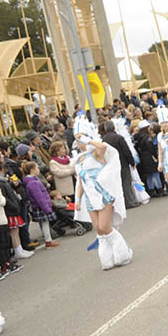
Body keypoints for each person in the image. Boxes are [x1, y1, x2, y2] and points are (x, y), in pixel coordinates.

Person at [72, 115, 132, 271]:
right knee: (98, 229)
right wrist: (78, 199)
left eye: (79, 139)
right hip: (90, 198)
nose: (78, 142)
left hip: (103, 194)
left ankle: (123, 254)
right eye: (77, 140)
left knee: (105, 226)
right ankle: (108, 259)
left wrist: (87, 140)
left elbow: (104, 147)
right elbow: (81, 181)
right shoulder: (80, 159)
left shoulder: (96, 152)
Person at [0, 160, 32, 260]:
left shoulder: (4, 180)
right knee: (13, 232)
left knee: (16, 231)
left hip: (13, 206)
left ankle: (19, 249)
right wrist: (13, 206)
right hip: (10, 209)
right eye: (4, 169)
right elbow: (4, 197)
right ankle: (17, 250)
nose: (6, 171)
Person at [100, 120, 140, 209]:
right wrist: (132, 162)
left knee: (118, 184)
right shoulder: (119, 138)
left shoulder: (104, 140)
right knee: (126, 182)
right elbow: (126, 151)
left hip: (111, 164)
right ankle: (129, 201)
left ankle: (121, 203)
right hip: (122, 163)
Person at [22, 161, 59, 249]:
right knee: (45, 223)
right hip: (41, 206)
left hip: (40, 205)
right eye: (37, 168)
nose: (38, 170)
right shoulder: (33, 182)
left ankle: (48, 239)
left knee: (44, 223)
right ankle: (48, 240)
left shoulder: (32, 180)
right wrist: (46, 207)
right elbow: (39, 196)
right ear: (32, 170)